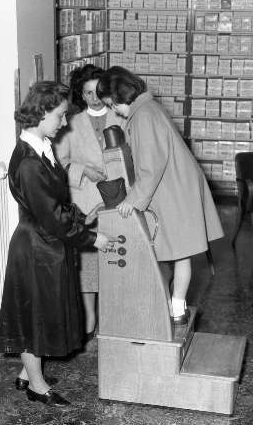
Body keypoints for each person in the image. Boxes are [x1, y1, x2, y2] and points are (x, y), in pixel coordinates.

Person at [0, 81, 116, 407]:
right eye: (60, 115)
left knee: (42, 312)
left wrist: (83, 217)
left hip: (45, 244)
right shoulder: (29, 162)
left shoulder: (41, 147)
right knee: (34, 317)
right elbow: (52, 217)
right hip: (36, 247)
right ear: (43, 111)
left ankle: (27, 372)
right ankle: (37, 386)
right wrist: (92, 238)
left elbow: (57, 205)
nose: (64, 122)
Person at [96, 66, 224, 325]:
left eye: (112, 105)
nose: (114, 111)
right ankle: (177, 307)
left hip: (173, 192)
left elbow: (150, 166)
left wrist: (132, 201)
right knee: (181, 253)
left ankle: (170, 308)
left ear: (120, 96)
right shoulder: (149, 108)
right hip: (178, 188)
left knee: (167, 253)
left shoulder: (143, 116)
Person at [55, 64, 125, 339]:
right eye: (87, 93)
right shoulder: (71, 123)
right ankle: (90, 317)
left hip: (117, 200)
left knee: (117, 257)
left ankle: (114, 315)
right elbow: (59, 162)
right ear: (80, 95)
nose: (94, 98)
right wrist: (83, 170)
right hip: (85, 203)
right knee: (88, 265)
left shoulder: (121, 117)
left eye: (98, 92)